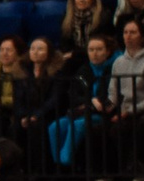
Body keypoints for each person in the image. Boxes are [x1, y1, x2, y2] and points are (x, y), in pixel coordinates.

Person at [48, 32, 114, 172]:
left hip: (101, 114)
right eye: (91, 50)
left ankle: (65, 160)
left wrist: (95, 103)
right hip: (82, 110)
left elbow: (111, 95)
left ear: (107, 52)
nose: (94, 53)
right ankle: (58, 164)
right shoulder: (83, 71)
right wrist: (89, 101)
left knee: (78, 125)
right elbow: (73, 95)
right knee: (55, 126)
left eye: (99, 49)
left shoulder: (112, 69)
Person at [55, 0, 107, 64]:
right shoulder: (66, 18)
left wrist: (75, 54)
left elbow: (102, 45)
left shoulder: (103, 17)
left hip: (97, 59)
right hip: (73, 60)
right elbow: (64, 45)